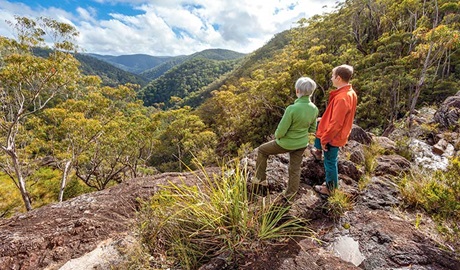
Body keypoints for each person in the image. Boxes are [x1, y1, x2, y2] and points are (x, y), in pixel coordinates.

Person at [252, 77, 319, 202]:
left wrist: (278, 136)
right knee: (295, 168)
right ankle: (290, 194)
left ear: (297, 90)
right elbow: (312, 128)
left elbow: (281, 131)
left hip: (286, 143)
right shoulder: (314, 108)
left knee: (262, 150)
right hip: (301, 144)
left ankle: (260, 179)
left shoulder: (292, 109)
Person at [312, 64, 358, 196]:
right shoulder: (350, 93)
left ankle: (330, 188)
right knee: (320, 124)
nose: (331, 78)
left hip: (334, 136)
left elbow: (336, 123)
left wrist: (325, 140)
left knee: (330, 162)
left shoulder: (342, 98)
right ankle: (318, 151)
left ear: (338, 78)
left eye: (332, 76)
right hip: (336, 130)